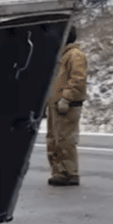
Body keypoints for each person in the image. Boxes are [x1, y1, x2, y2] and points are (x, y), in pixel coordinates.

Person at [46, 25, 88, 186]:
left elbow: (78, 80)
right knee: (54, 140)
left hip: (67, 105)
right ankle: (59, 171)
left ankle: (70, 173)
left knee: (65, 140)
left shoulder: (75, 55)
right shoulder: (61, 56)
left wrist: (67, 98)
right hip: (56, 104)